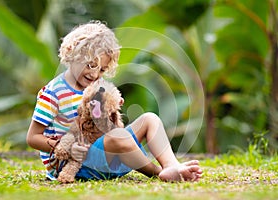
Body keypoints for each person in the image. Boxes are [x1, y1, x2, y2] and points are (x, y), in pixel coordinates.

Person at [26, 20, 203, 182]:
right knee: (118, 137)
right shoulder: (53, 93)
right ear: (73, 54)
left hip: (104, 154)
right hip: (73, 163)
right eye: (90, 65)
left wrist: (111, 109)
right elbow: (32, 137)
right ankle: (157, 173)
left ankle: (171, 166)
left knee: (150, 119)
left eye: (102, 70)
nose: (95, 74)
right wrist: (65, 147)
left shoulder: (96, 87)